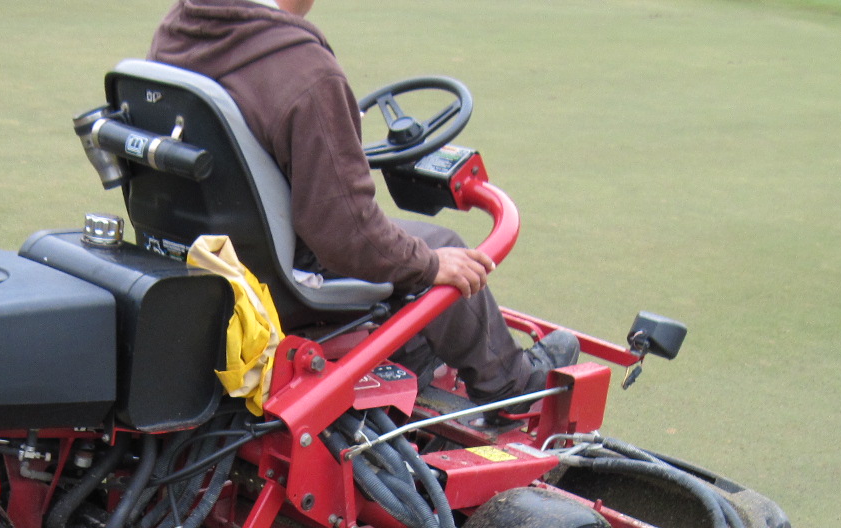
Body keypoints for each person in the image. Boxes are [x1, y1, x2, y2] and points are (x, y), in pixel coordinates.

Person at [149, 0, 578, 410]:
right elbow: (347, 234)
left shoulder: (178, 31)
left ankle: (410, 352)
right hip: (284, 280)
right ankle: (512, 385)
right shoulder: (305, 73)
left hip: (203, 257)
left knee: (411, 252)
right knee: (441, 246)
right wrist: (429, 265)